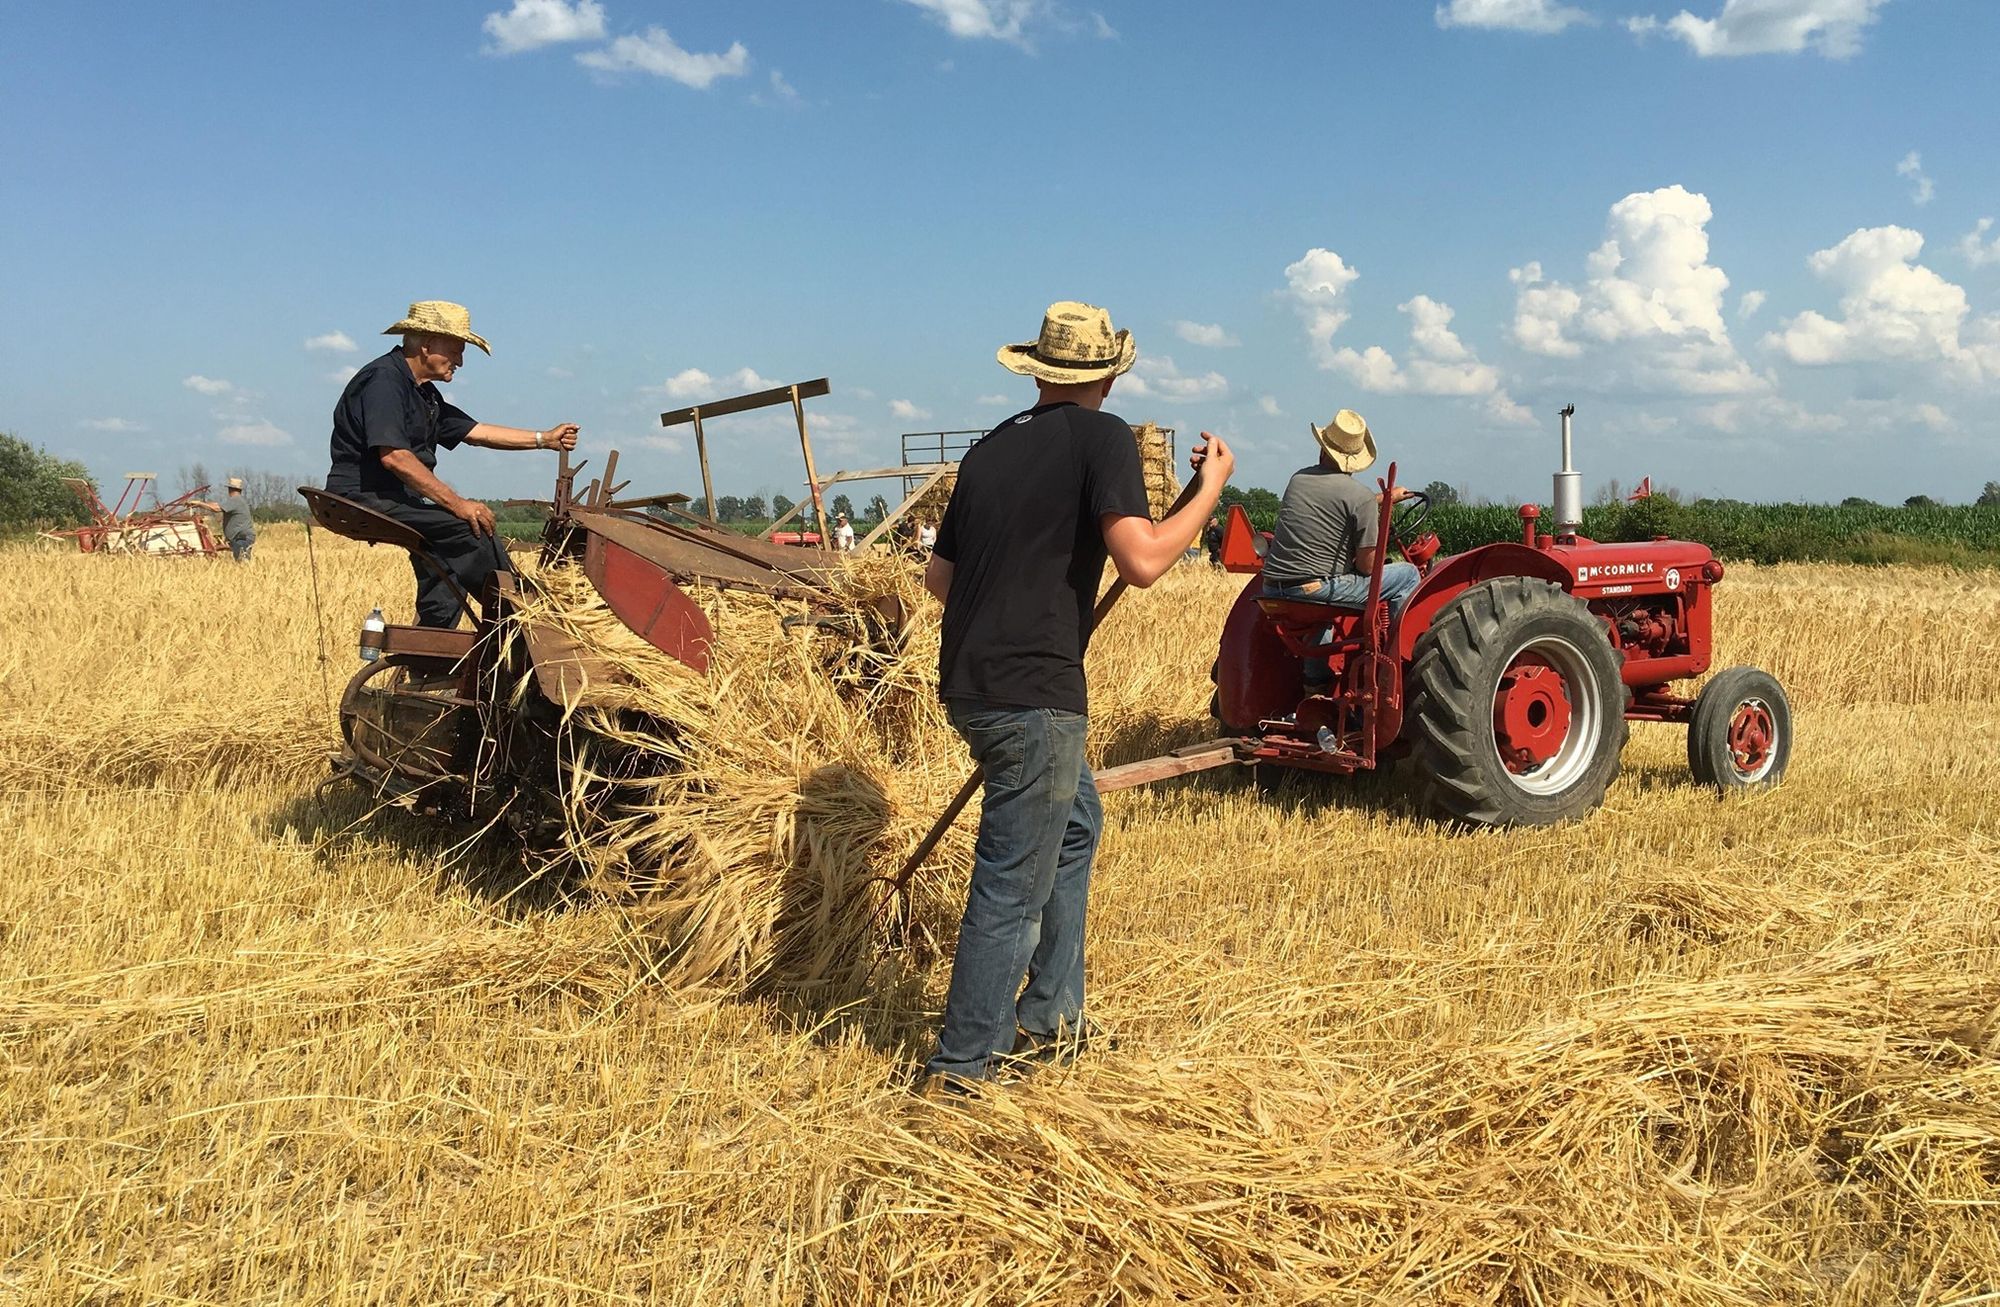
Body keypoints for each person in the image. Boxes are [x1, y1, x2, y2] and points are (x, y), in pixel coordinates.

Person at [920, 300, 1234, 1090]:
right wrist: (1208, 489)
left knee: (1074, 825)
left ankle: (1053, 1013)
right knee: (1011, 881)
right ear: (1111, 376)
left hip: (970, 684)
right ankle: (963, 1068)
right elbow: (1142, 560)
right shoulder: (1104, 437)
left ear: (1039, 372)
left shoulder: (988, 450)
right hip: (1036, 695)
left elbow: (938, 579)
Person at [324, 301, 579, 628]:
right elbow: (395, 457)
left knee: (446, 550)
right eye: (456, 351)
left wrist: (545, 439)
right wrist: (458, 504)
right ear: (427, 344)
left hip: (391, 497)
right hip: (363, 495)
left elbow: (477, 432)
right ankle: (522, 617)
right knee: (469, 526)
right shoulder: (384, 381)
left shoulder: (424, 394)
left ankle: (431, 642)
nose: (459, 361)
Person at [1260, 409, 1419, 681]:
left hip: (1272, 588)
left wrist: (1384, 499)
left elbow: (1333, 502)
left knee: (1320, 616)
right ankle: (1398, 662)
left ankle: (1316, 685)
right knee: (1408, 574)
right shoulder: (1360, 498)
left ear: (1323, 449)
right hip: (1316, 590)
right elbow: (1367, 568)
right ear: (1355, 461)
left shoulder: (1298, 479)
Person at [196, 477, 257, 561]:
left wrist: (199, 504)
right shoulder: (238, 500)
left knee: (242, 561)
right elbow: (216, 505)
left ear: (230, 489)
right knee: (240, 561)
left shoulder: (235, 500)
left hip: (241, 538)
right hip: (241, 537)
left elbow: (216, 508)